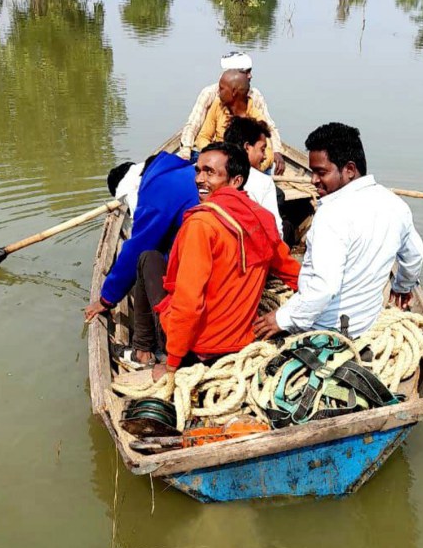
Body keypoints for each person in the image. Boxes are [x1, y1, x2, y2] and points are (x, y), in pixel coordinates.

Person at [253, 123, 423, 341]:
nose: (313, 180)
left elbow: (323, 288)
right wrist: (402, 286)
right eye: (312, 171)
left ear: (350, 170)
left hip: (327, 329)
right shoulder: (396, 205)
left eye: (321, 172)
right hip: (364, 324)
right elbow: (414, 256)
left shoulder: (331, 216)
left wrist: (282, 318)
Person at [150, 142, 300, 381]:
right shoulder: (263, 218)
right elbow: (290, 271)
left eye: (210, 172)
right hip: (242, 343)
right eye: (198, 170)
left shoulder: (201, 225)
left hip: (200, 350)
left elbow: (188, 304)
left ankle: (142, 350)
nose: (199, 179)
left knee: (148, 262)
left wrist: (171, 365)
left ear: (236, 180)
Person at [84, 151, 199, 368]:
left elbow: (137, 245)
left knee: (144, 259)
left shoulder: (157, 190)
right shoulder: (180, 171)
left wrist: (106, 299)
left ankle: (142, 351)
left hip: (199, 274)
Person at [178, 51, 286, 174]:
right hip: (217, 152)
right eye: (247, 72)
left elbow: (268, 130)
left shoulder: (254, 98)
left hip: (245, 160)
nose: (250, 76)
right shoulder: (213, 96)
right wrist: (186, 152)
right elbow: (194, 125)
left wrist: (276, 151)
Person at [224, 116, 283, 238]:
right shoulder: (262, 182)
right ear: (247, 147)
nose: (265, 157)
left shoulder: (206, 175)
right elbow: (275, 232)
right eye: (262, 149)